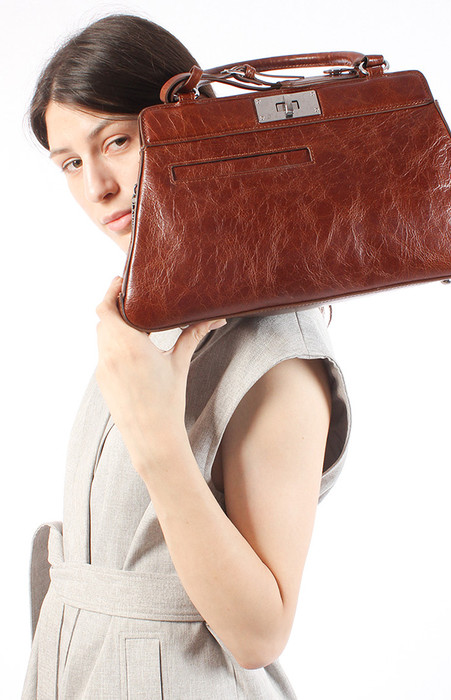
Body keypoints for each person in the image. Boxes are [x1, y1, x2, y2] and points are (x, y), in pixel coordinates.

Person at [21, 14, 351, 699]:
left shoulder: (275, 353)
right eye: (71, 163)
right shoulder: (150, 317)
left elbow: (259, 633)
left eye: (116, 141)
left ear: (193, 132)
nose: (97, 186)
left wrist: (158, 443)